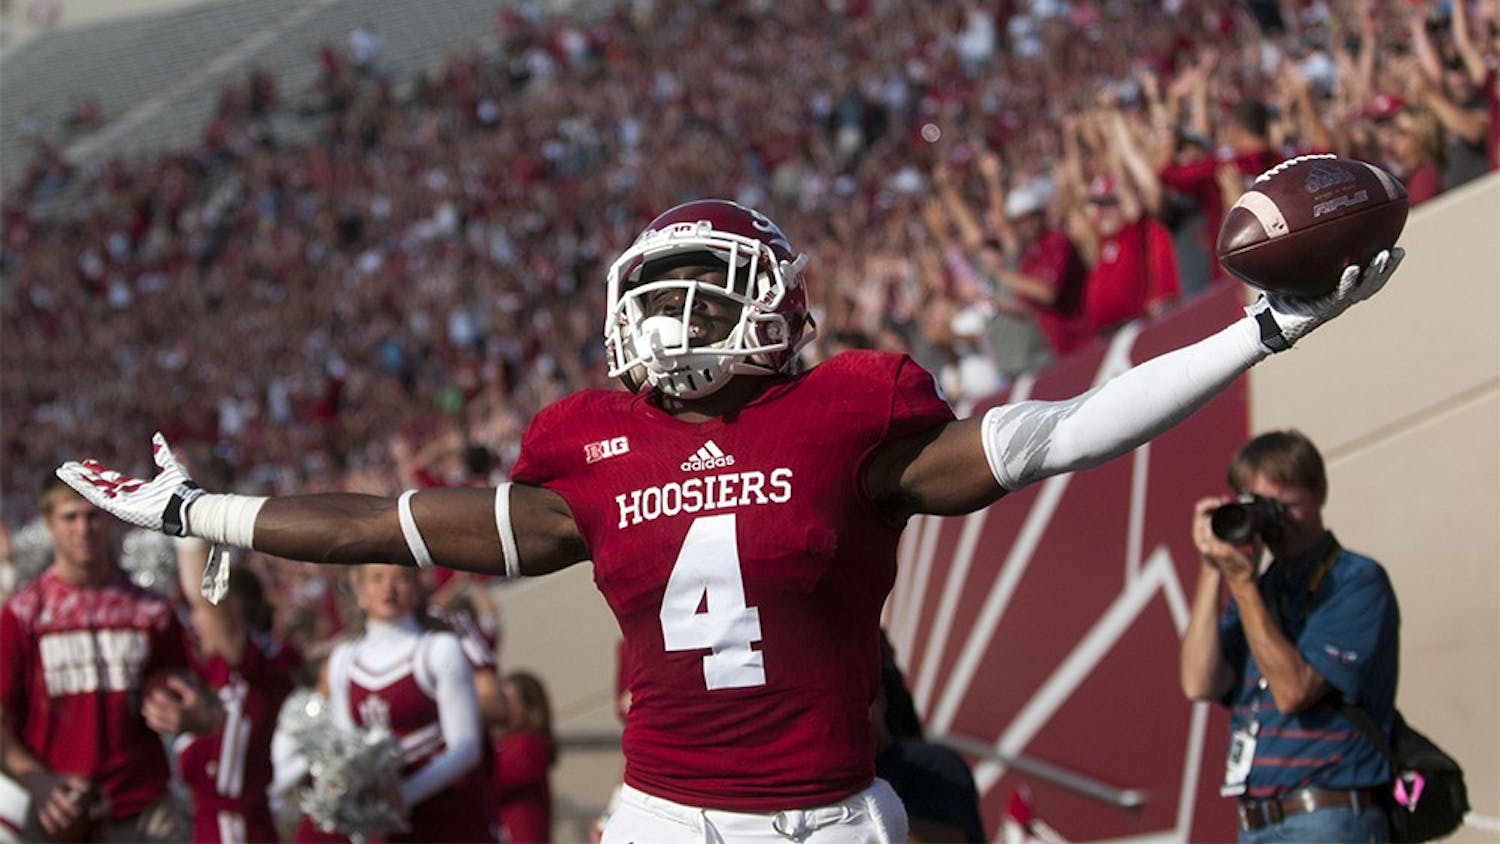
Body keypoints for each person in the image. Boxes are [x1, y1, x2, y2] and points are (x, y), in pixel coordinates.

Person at [57, 198, 1404, 842]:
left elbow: (1061, 432)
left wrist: (1260, 329)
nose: (671, 314)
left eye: (701, 286)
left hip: (833, 816)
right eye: (663, 290)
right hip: (667, 818)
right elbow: (381, 525)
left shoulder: (847, 412)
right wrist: (195, 506)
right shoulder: (592, 447)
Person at [1179, 430, 1399, 842]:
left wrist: (1242, 584)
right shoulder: (1260, 590)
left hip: (1328, 815)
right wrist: (1212, 568)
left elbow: (1293, 691)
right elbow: (1198, 683)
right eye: (1264, 508)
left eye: (1287, 506)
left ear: (1319, 493)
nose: (1277, 522)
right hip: (1256, 819)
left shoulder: (1354, 580)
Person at [0, 478, 220, 842]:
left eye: (93, 516)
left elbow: (208, 708)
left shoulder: (150, 611)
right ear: (49, 522)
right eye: (70, 517)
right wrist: (37, 781)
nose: (83, 529)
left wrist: (194, 717)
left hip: (143, 808)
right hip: (60, 811)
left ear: (111, 518)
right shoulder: (24, 615)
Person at [323, 564, 494, 842]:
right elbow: (346, 746)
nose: (388, 588)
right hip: (386, 826)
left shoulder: (438, 649)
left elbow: (466, 748)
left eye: (400, 578)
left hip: (448, 816)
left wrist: (404, 795)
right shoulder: (343, 659)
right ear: (359, 588)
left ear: (416, 586)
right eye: (376, 579)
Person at [174, 540, 302, 843]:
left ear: (234, 612)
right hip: (211, 819)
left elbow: (206, 599)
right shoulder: (214, 667)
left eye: (200, 613)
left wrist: (187, 536)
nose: (195, 621)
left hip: (236, 823)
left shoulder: (252, 659)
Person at [493, 671, 555, 844]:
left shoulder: (528, 745)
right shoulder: (503, 743)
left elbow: (492, 781)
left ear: (529, 708)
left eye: (506, 701)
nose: (500, 707)